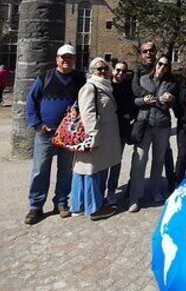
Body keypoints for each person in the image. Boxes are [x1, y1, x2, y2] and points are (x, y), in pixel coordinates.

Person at [23, 44, 87, 225]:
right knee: (40, 170)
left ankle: (61, 202)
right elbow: (31, 101)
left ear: (75, 60)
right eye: (63, 58)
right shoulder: (45, 77)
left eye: (71, 58)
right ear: (57, 59)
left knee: (66, 170)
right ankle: (36, 206)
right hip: (47, 133)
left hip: (69, 135)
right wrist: (37, 125)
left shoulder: (80, 79)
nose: (67, 61)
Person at [70, 58, 122, 220]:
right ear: (92, 71)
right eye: (99, 69)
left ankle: (78, 205)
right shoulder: (90, 87)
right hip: (95, 137)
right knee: (90, 171)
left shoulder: (105, 86)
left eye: (105, 69)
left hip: (103, 136)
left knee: (86, 170)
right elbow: (88, 113)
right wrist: (93, 137)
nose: (103, 72)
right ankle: (94, 208)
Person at [128, 54, 177, 212]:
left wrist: (170, 99)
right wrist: (144, 101)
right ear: (156, 64)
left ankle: (156, 191)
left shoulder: (170, 83)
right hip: (145, 124)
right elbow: (134, 101)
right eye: (160, 64)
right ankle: (134, 197)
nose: (162, 67)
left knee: (159, 159)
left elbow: (174, 102)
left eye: (166, 65)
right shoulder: (143, 80)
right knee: (140, 159)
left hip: (162, 125)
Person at [106, 61, 135, 206]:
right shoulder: (106, 86)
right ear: (113, 70)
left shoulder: (128, 87)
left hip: (121, 129)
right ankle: (100, 191)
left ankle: (111, 191)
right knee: (104, 162)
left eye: (123, 72)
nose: (120, 74)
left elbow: (132, 105)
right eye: (118, 70)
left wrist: (129, 115)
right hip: (106, 130)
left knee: (116, 162)